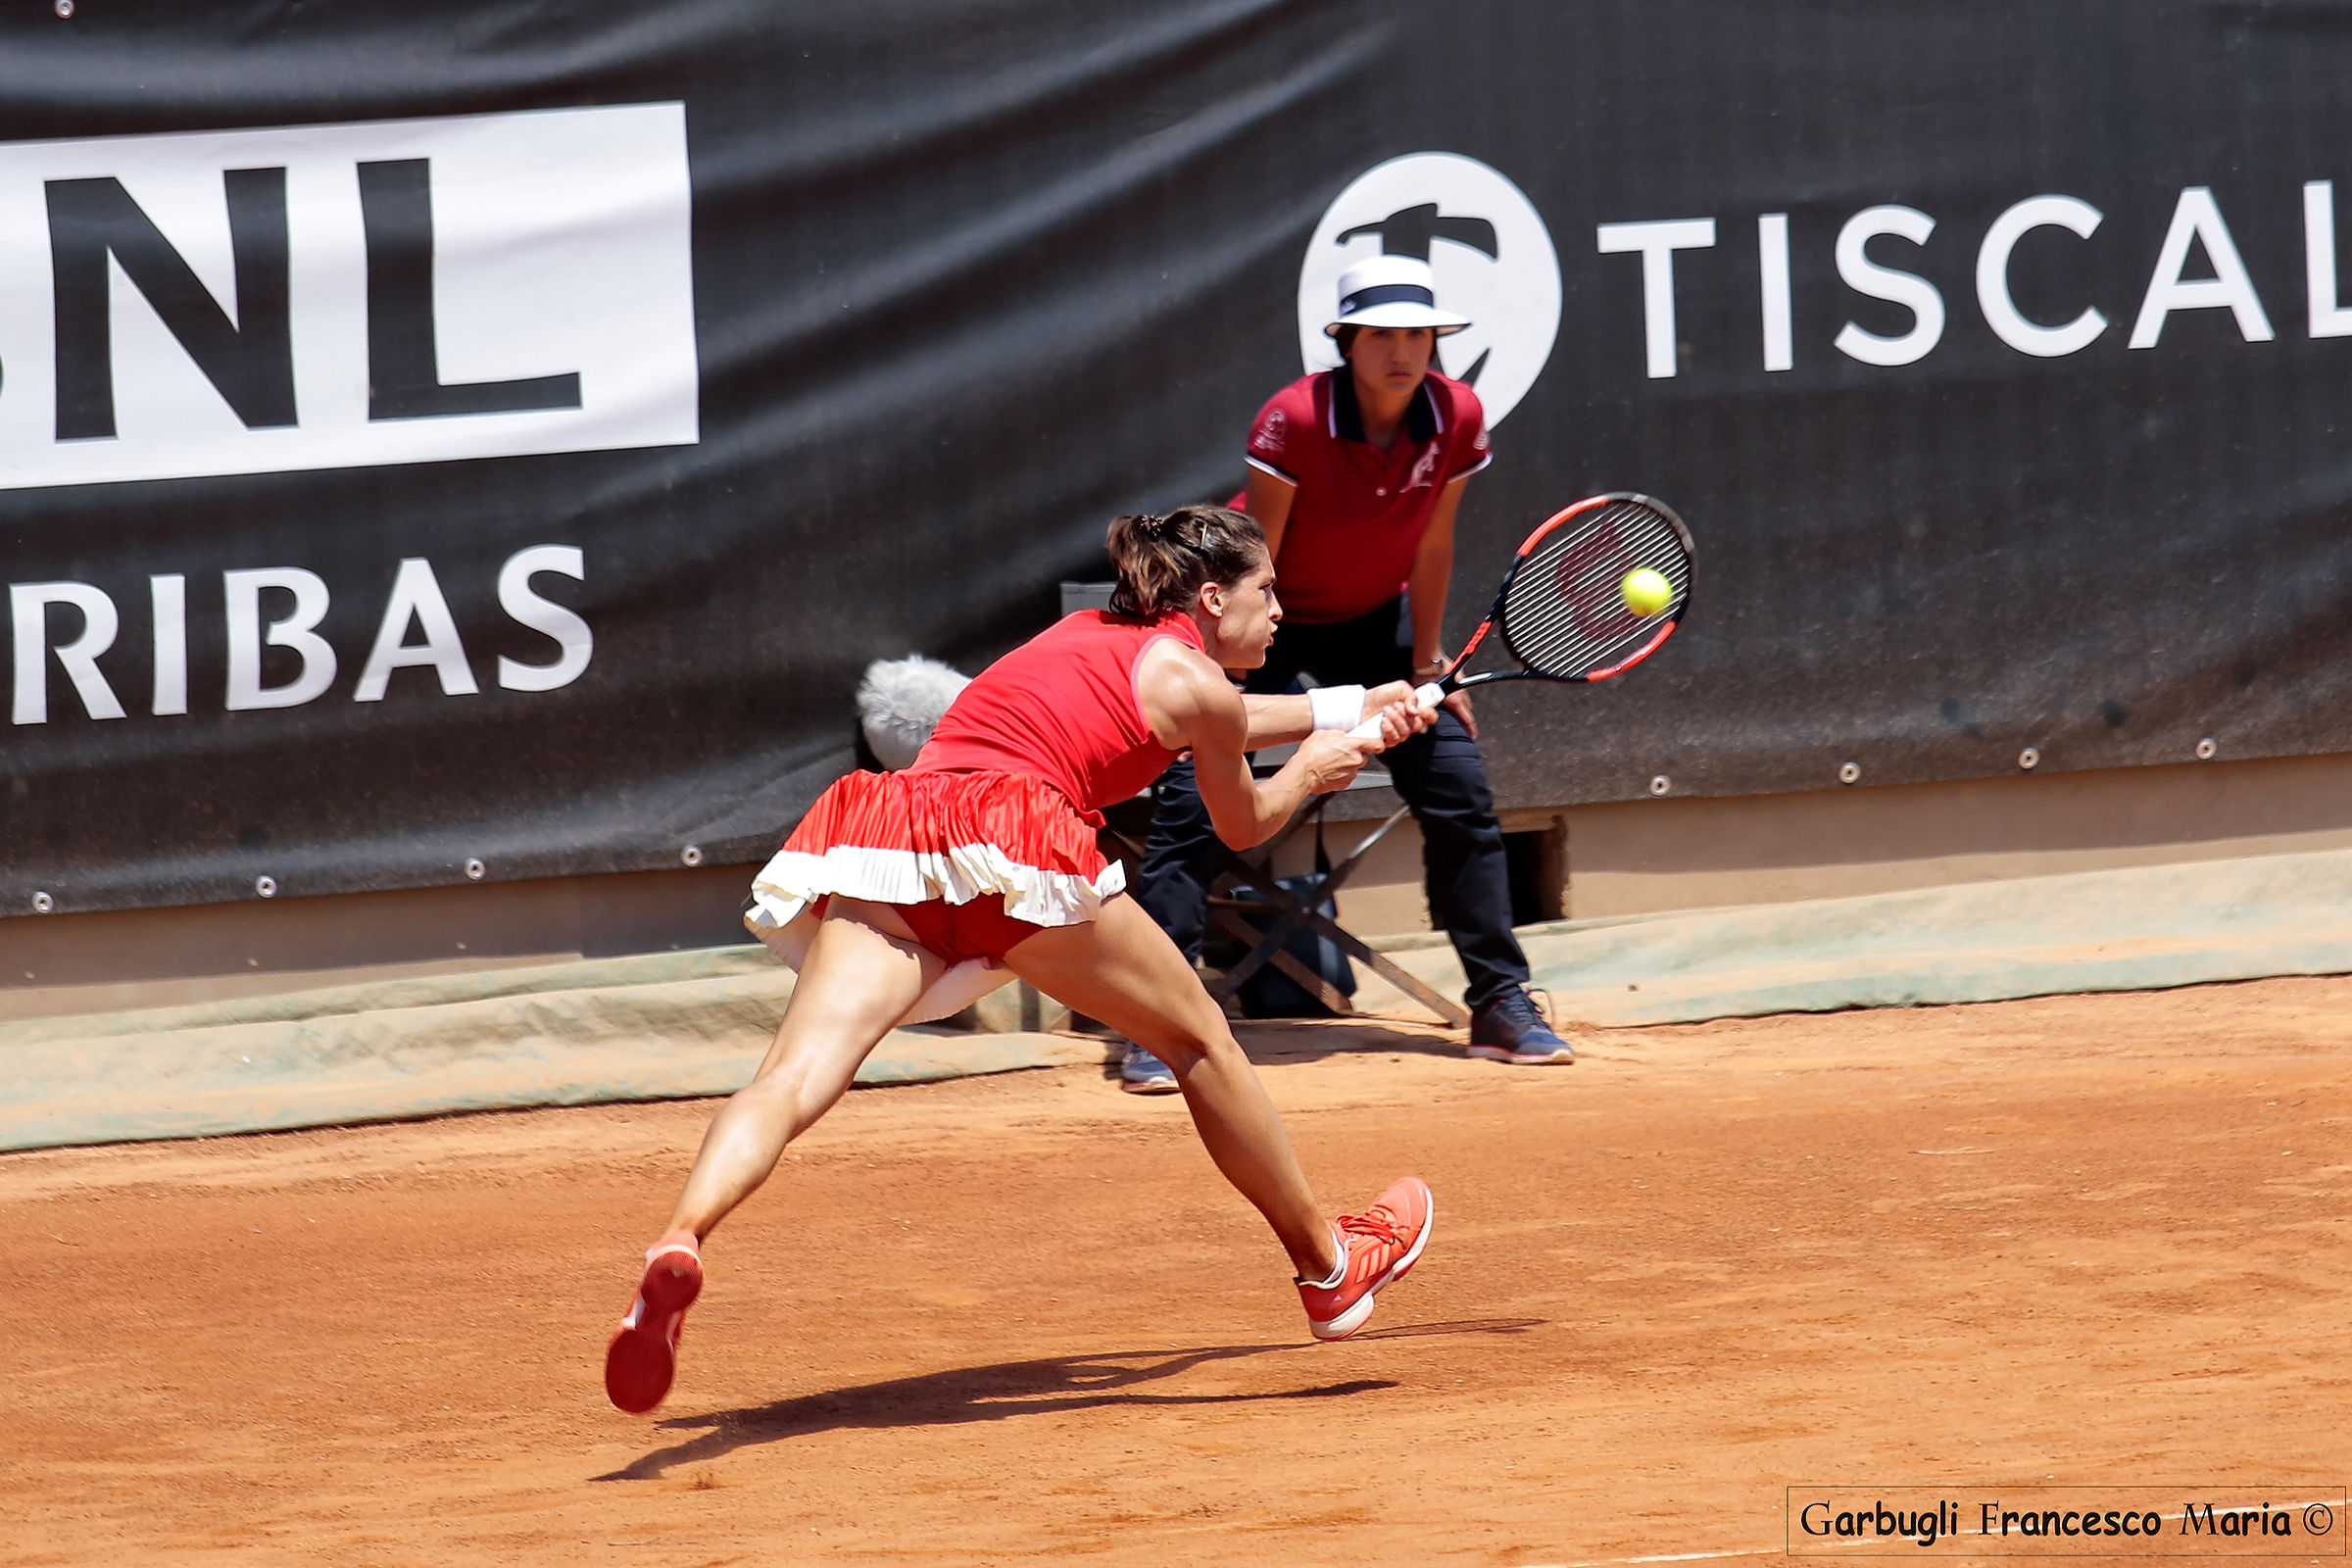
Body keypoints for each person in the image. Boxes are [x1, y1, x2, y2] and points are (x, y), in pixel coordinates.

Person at [604, 505, 1439, 1415]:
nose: (1280, 611)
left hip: (898, 843)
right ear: (1209, 597)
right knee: (1201, 1047)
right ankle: (1329, 1268)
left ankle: (680, 1240)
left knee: (791, 1079)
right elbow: (1244, 814)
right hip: (1013, 846)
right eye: (1266, 591)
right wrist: (1316, 767)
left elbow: (1214, 712)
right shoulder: (1197, 685)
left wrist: (1351, 704)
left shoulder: (1080, 633)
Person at [1119, 255, 1572, 1095]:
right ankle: (1161, 1018)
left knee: (1459, 787)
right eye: (1382, 333)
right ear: (1347, 342)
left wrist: (1427, 665)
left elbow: (1432, 546)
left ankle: (1501, 1002)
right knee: (1189, 801)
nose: (1403, 349)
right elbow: (1259, 562)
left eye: (1418, 332)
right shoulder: (1295, 418)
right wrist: (1219, 682)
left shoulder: (1458, 414)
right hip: (1268, 623)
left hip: (1378, 626)